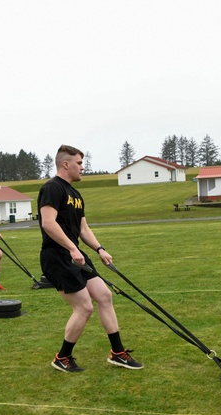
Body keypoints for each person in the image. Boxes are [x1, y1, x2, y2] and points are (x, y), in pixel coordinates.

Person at [38, 144, 142, 373]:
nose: (82, 168)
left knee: (104, 295)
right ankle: (62, 357)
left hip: (75, 253)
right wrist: (71, 249)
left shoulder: (75, 194)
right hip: (57, 255)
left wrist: (99, 248)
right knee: (84, 307)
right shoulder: (52, 188)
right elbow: (48, 223)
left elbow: (83, 228)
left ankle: (117, 353)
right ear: (66, 164)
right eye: (79, 163)